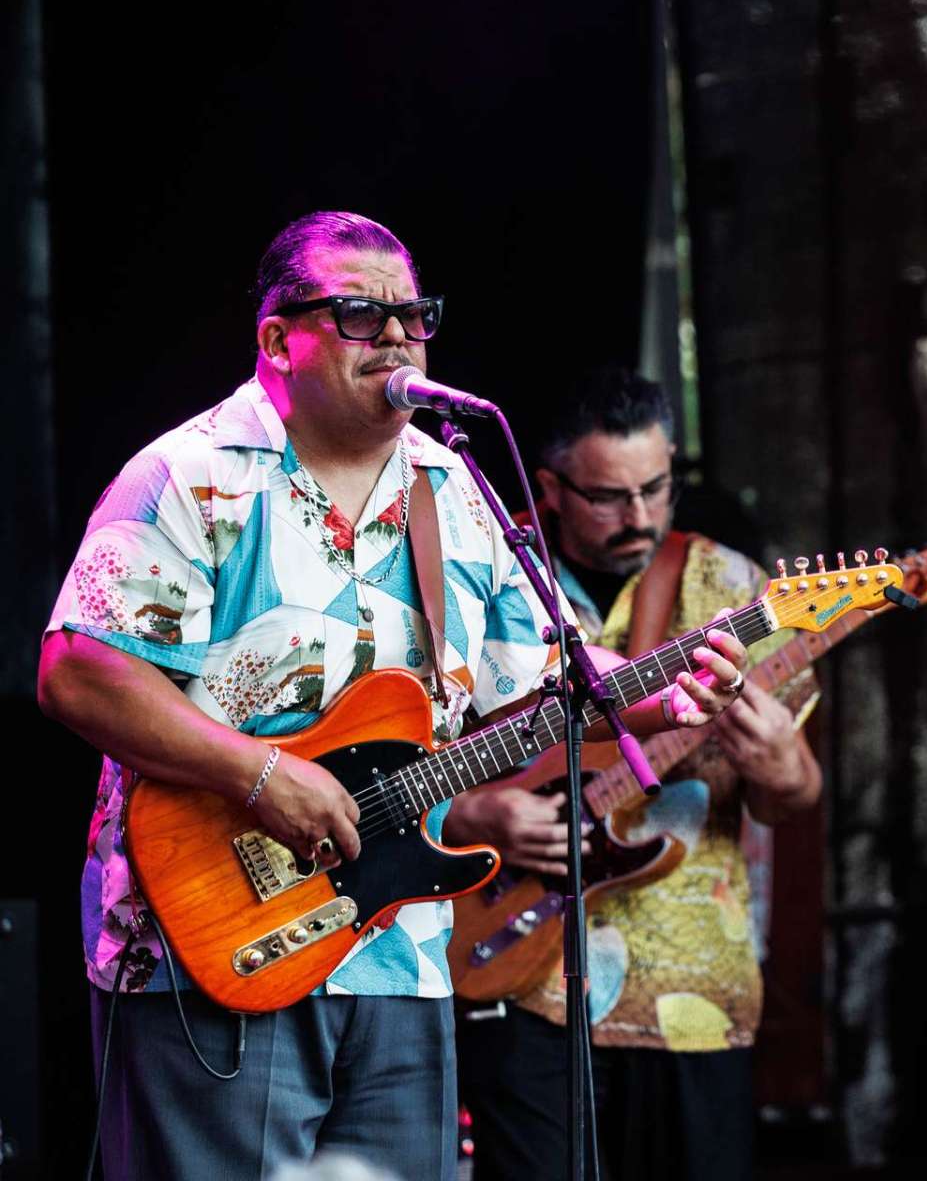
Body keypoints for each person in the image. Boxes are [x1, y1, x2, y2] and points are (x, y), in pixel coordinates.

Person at [36, 212, 747, 1181]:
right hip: (214, 934)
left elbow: (541, 690)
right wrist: (261, 774)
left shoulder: (452, 488)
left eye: (415, 316)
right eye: (361, 316)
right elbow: (80, 671)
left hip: (401, 946)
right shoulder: (187, 477)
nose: (400, 337)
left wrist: (667, 698)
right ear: (278, 338)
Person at [450, 370, 822, 1181]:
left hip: (693, 990)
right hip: (517, 973)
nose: (642, 516)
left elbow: (792, 798)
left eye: (657, 488)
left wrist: (781, 765)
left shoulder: (734, 587)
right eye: (609, 497)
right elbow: (399, 755)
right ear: (551, 488)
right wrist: (476, 815)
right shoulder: (483, 568)